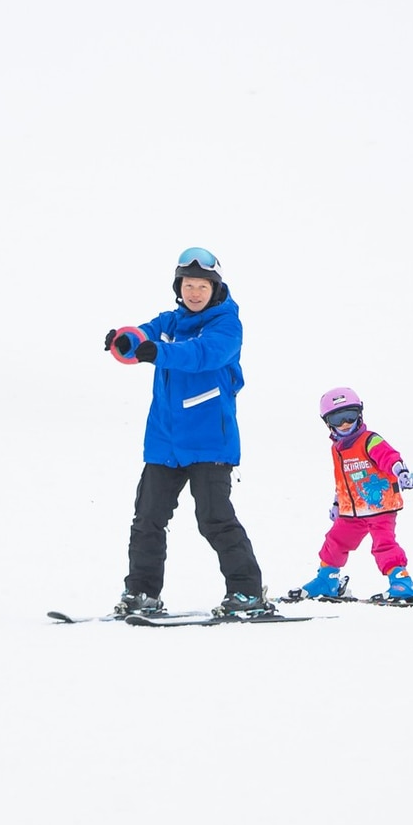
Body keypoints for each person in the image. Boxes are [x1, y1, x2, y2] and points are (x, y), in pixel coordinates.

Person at [104, 247, 272, 617]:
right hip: (164, 441)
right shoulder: (172, 321)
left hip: (210, 441)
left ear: (215, 289)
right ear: (179, 288)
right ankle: (142, 594)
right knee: (148, 519)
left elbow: (201, 356)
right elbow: (144, 335)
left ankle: (247, 593)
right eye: (188, 285)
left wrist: (158, 353)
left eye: (202, 286)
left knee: (214, 518)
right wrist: (125, 340)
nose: (195, 293)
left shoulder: (226, 326)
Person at [290, 386, 413, 601]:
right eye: (337, 419)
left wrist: (401, 472)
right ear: (327, 423)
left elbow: (390, 457)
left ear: (360, 415)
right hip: (351, 513)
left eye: (350, 417)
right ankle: (327, 580)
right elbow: (344, 480)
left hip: (381, 508)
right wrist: (337, 503)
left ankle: (401, 582)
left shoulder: (371, 440)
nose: (344, 425)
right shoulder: (338, 449)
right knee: (335, 541)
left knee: (384, 544)